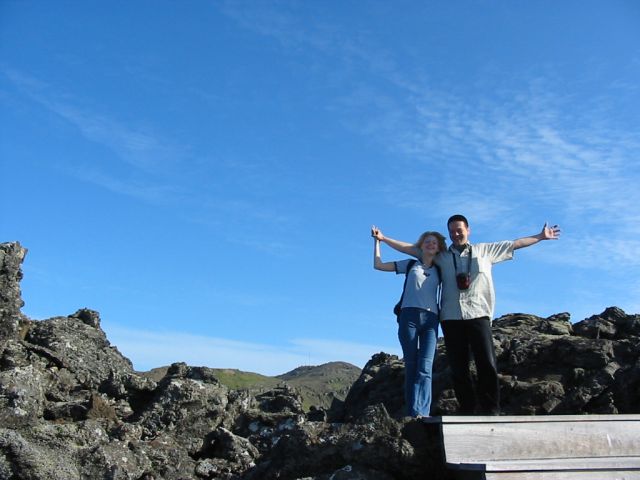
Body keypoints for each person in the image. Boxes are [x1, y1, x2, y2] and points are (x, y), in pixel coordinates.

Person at [373, 215, 561, 415]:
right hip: (451, 317)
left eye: (459, 230)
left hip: (478, 313)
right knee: (458, 367)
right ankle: (467, 409)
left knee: (486, 363)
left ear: (468, 230)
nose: (456, 234)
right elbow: (410, 249)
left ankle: (491, 410)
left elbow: (515, 244)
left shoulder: (485, 250)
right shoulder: (442, 256)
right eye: (452, 231)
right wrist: (383, 239)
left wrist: (540, 237)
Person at [371, 226, 447, 418]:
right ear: (421, 246)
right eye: (427, 241)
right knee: (412, 366)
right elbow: (379, 265)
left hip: (431, 320)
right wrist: (379, 241)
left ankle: (422, 413)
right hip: (409, 318)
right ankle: (413, 414)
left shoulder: (441, 268)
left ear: (439, 247)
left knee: (425, 367)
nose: (431, 244)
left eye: (434, 242)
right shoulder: (411, 264)